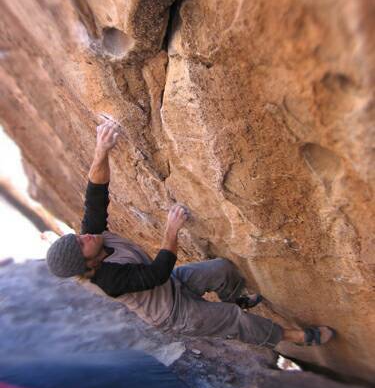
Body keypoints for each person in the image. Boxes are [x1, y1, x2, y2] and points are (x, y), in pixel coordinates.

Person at [46, 119, 335, 348]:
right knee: (234, 321)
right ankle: (296, 337)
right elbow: (155, 273)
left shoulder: (92, 237)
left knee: (223, 270)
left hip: (172, 284)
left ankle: (236, 298)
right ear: (89, 265)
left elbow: (95, 194)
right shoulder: (107, 279)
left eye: (76, 237)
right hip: (172, 313)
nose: (83, 237)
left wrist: (102, 149)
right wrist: (171, 230)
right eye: (80, 245)